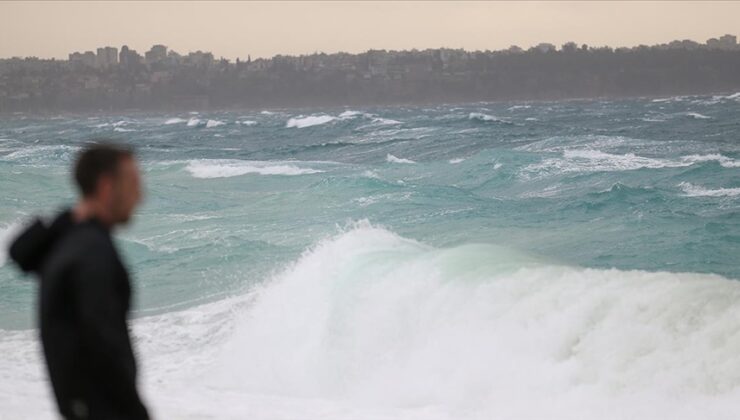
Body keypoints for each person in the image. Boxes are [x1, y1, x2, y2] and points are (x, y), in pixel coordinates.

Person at [8, 143, 150, 419]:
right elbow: (103, 344)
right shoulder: (92, 253)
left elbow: (21, 252)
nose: (140, 197)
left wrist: (70, 219)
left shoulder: (65, 243)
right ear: (107, 186)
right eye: (133, 184)